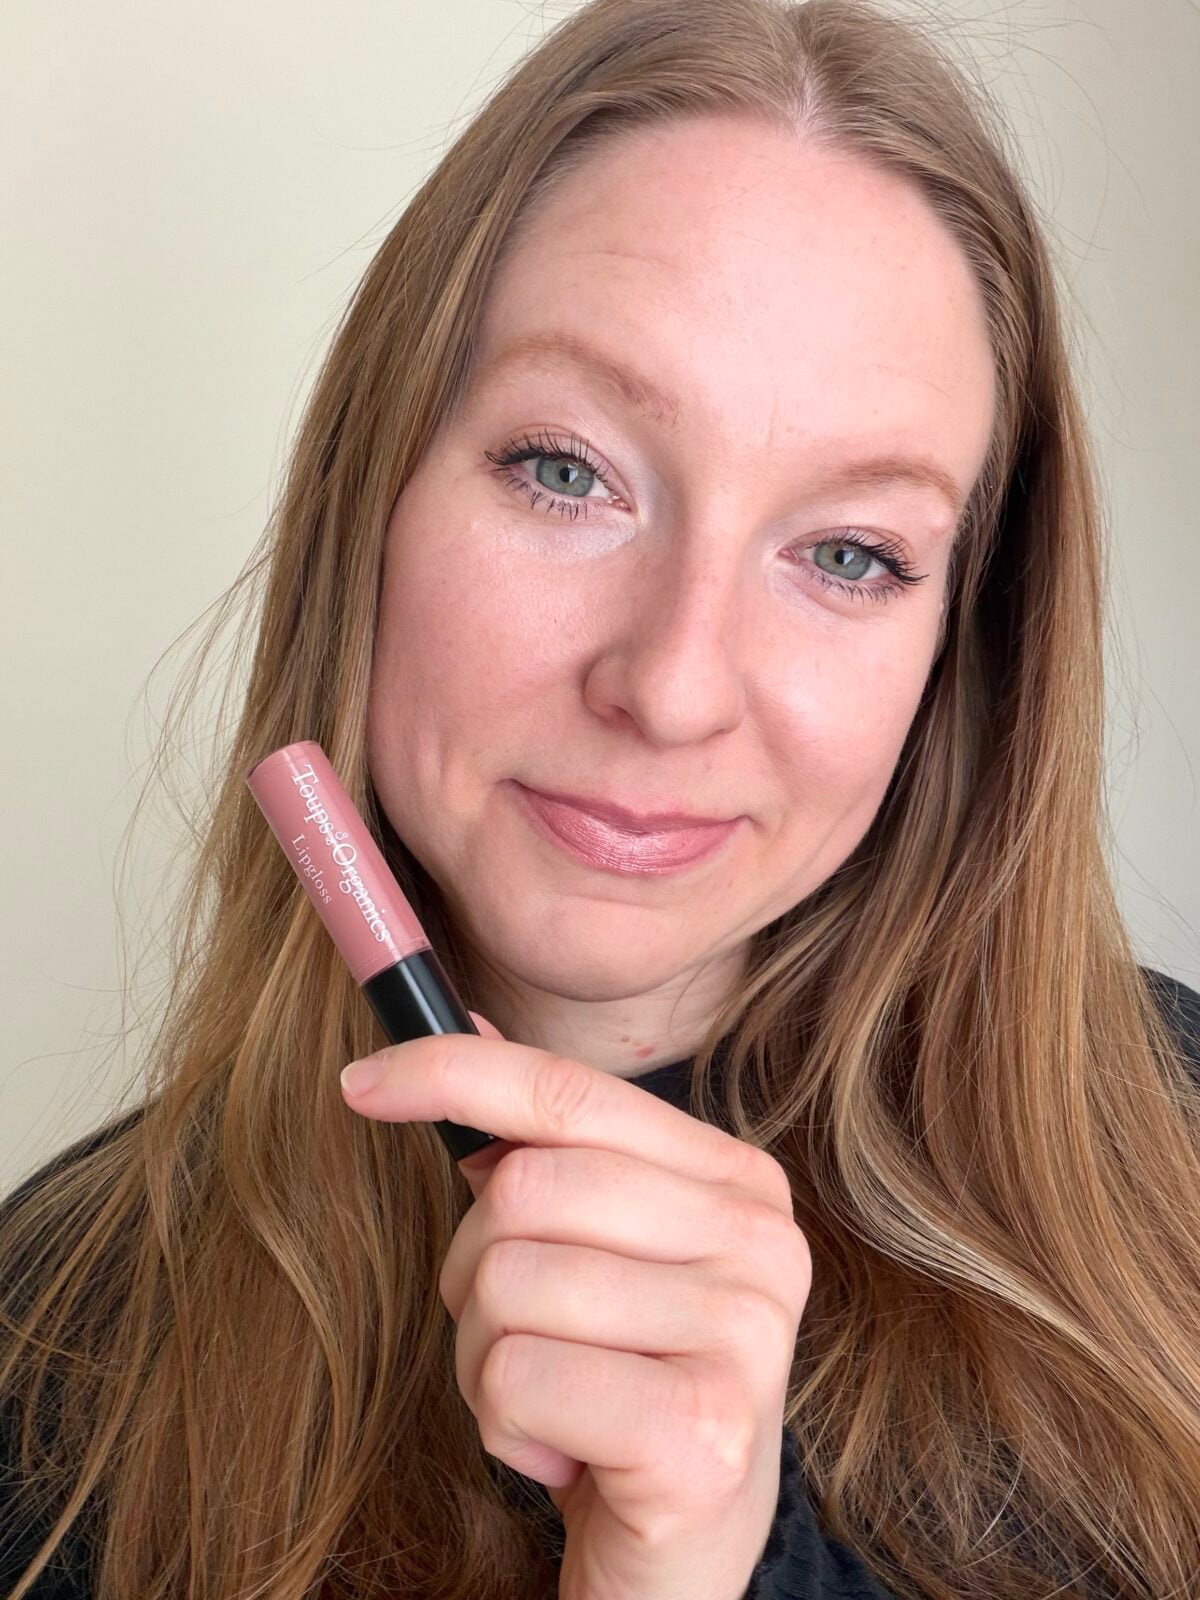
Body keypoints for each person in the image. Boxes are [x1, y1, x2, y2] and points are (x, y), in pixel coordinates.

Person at [3, 0, 1199, 1595]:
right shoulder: (49, 1354)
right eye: (567, 471)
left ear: (960, 652)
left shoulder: (1181, 1171)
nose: (676, 685)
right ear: (374, 492)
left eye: (851, 552)